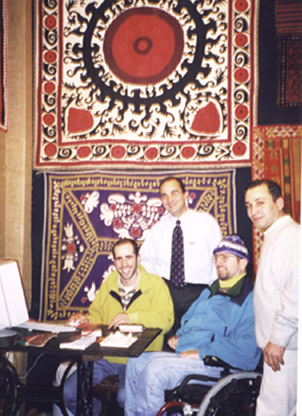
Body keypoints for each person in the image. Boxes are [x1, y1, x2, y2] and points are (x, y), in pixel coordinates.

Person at [124, 234, 262, 416]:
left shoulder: (249, 298)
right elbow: (189, 318)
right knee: (135, 361)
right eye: (217, 257)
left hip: (218, 364)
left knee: (155, 372)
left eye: (226, 257)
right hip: (189, 353)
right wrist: (179, 335)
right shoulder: (212, 289)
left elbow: (247, 349)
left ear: (243, 263)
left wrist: (202, 353)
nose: (219, 262)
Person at [53, 238, 174, 416]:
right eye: (119, 259)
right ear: (114, 260)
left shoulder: (155, 285)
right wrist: (84, 320)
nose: (124, 264)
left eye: (129, 257)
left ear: (138, 258)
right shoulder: (110, 283)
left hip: (139, 359)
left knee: (125, 398)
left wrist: (131, 317)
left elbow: (165, 321)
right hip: (107, 357)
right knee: (69, 393)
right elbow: (97, 315)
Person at [140, 176, 222, 343]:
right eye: (164, 195)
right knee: (166, 341)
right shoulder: (158, 229)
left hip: (199, 294)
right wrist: (158, 285)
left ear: (186, 195)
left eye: (174, 193)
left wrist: (214, 294)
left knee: (195, 341)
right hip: (166, 293)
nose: (169, 199)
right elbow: (145, 261)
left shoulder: (206, 223)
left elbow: (219, 260)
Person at [245, 179, 300, 416]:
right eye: (248, 205)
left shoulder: (290, 238)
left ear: (279, 203)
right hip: (286, 345)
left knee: (273, 411)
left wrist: (278, 339)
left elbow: (297, 292)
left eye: (260, 203)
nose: (253, 211)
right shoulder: (277, 236)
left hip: (286, 346)